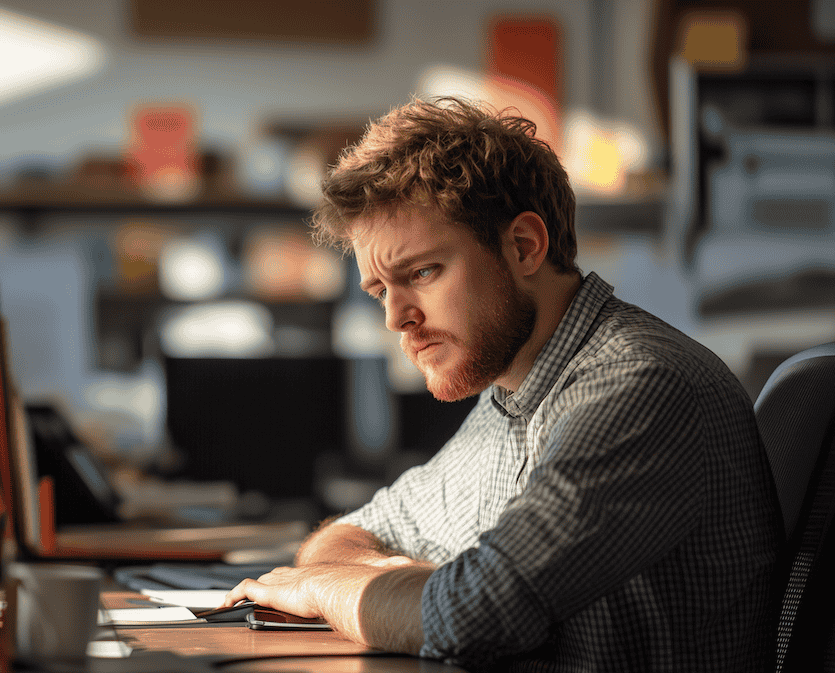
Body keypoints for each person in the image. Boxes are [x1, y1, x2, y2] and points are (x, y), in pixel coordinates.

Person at [222, 97, 783, 671]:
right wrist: (375, 579)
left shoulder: (637, 388)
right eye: (380, 291)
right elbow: (357, 530)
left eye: (421, 273)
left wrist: (323, 590)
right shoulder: (514, 393)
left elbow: (473, 613)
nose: (396, 318)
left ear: (524, 247)